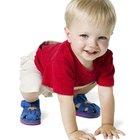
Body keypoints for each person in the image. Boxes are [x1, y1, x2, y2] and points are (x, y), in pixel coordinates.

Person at [19, 0, 125, 139]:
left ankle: (77, 97)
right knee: (32, 90)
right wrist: (73, 132)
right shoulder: (62, 60)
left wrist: (107, 123)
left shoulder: (105, 57)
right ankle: (30, 103)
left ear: (110, 35)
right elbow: (64, 100)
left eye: (102, 37)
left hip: (72, 70)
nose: (93, 45)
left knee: (92, 78)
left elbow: (106, 92)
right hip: (38, 65)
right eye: (84, 35)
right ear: (68, 34)